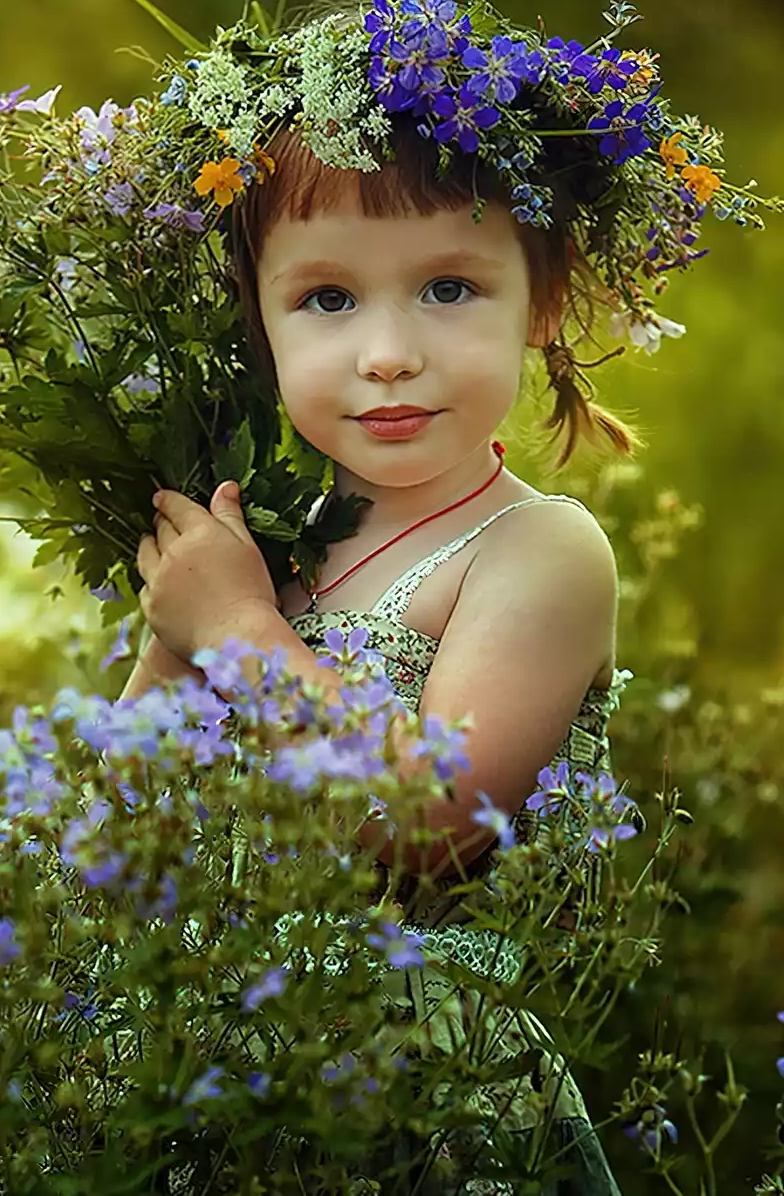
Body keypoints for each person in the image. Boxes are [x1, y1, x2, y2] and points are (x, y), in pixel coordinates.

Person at [120, 112, 638, 1194]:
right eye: (327, 299)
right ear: (258, 325)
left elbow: (433, 825)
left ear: (542, 301)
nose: (389, 353)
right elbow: (116, 835)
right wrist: (193, 622)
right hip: (206, 1070)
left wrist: (239, 635)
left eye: (449, 287)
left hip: (412, 1084)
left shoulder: (538, 552)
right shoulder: (255, 550)